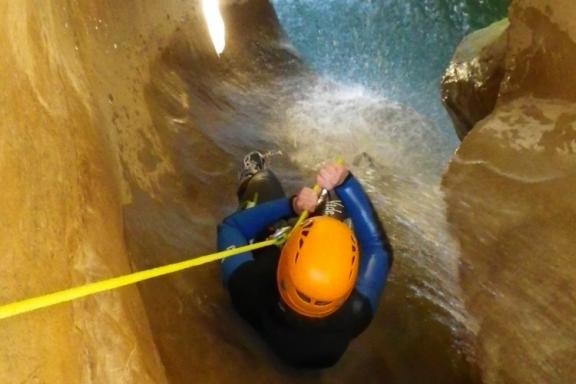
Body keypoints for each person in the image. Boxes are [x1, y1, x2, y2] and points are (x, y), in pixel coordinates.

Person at [218, 151, 393, 368]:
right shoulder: (356, 312)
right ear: (346, 288)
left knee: (265, 183)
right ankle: (346, 186)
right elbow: (378, 249)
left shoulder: (249, 287)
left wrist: (291, 206)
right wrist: (346, 183)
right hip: (307, 317)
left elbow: (231, 227)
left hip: (270, 264)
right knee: (339, 212)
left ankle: (253, 176)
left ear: (285, 257)